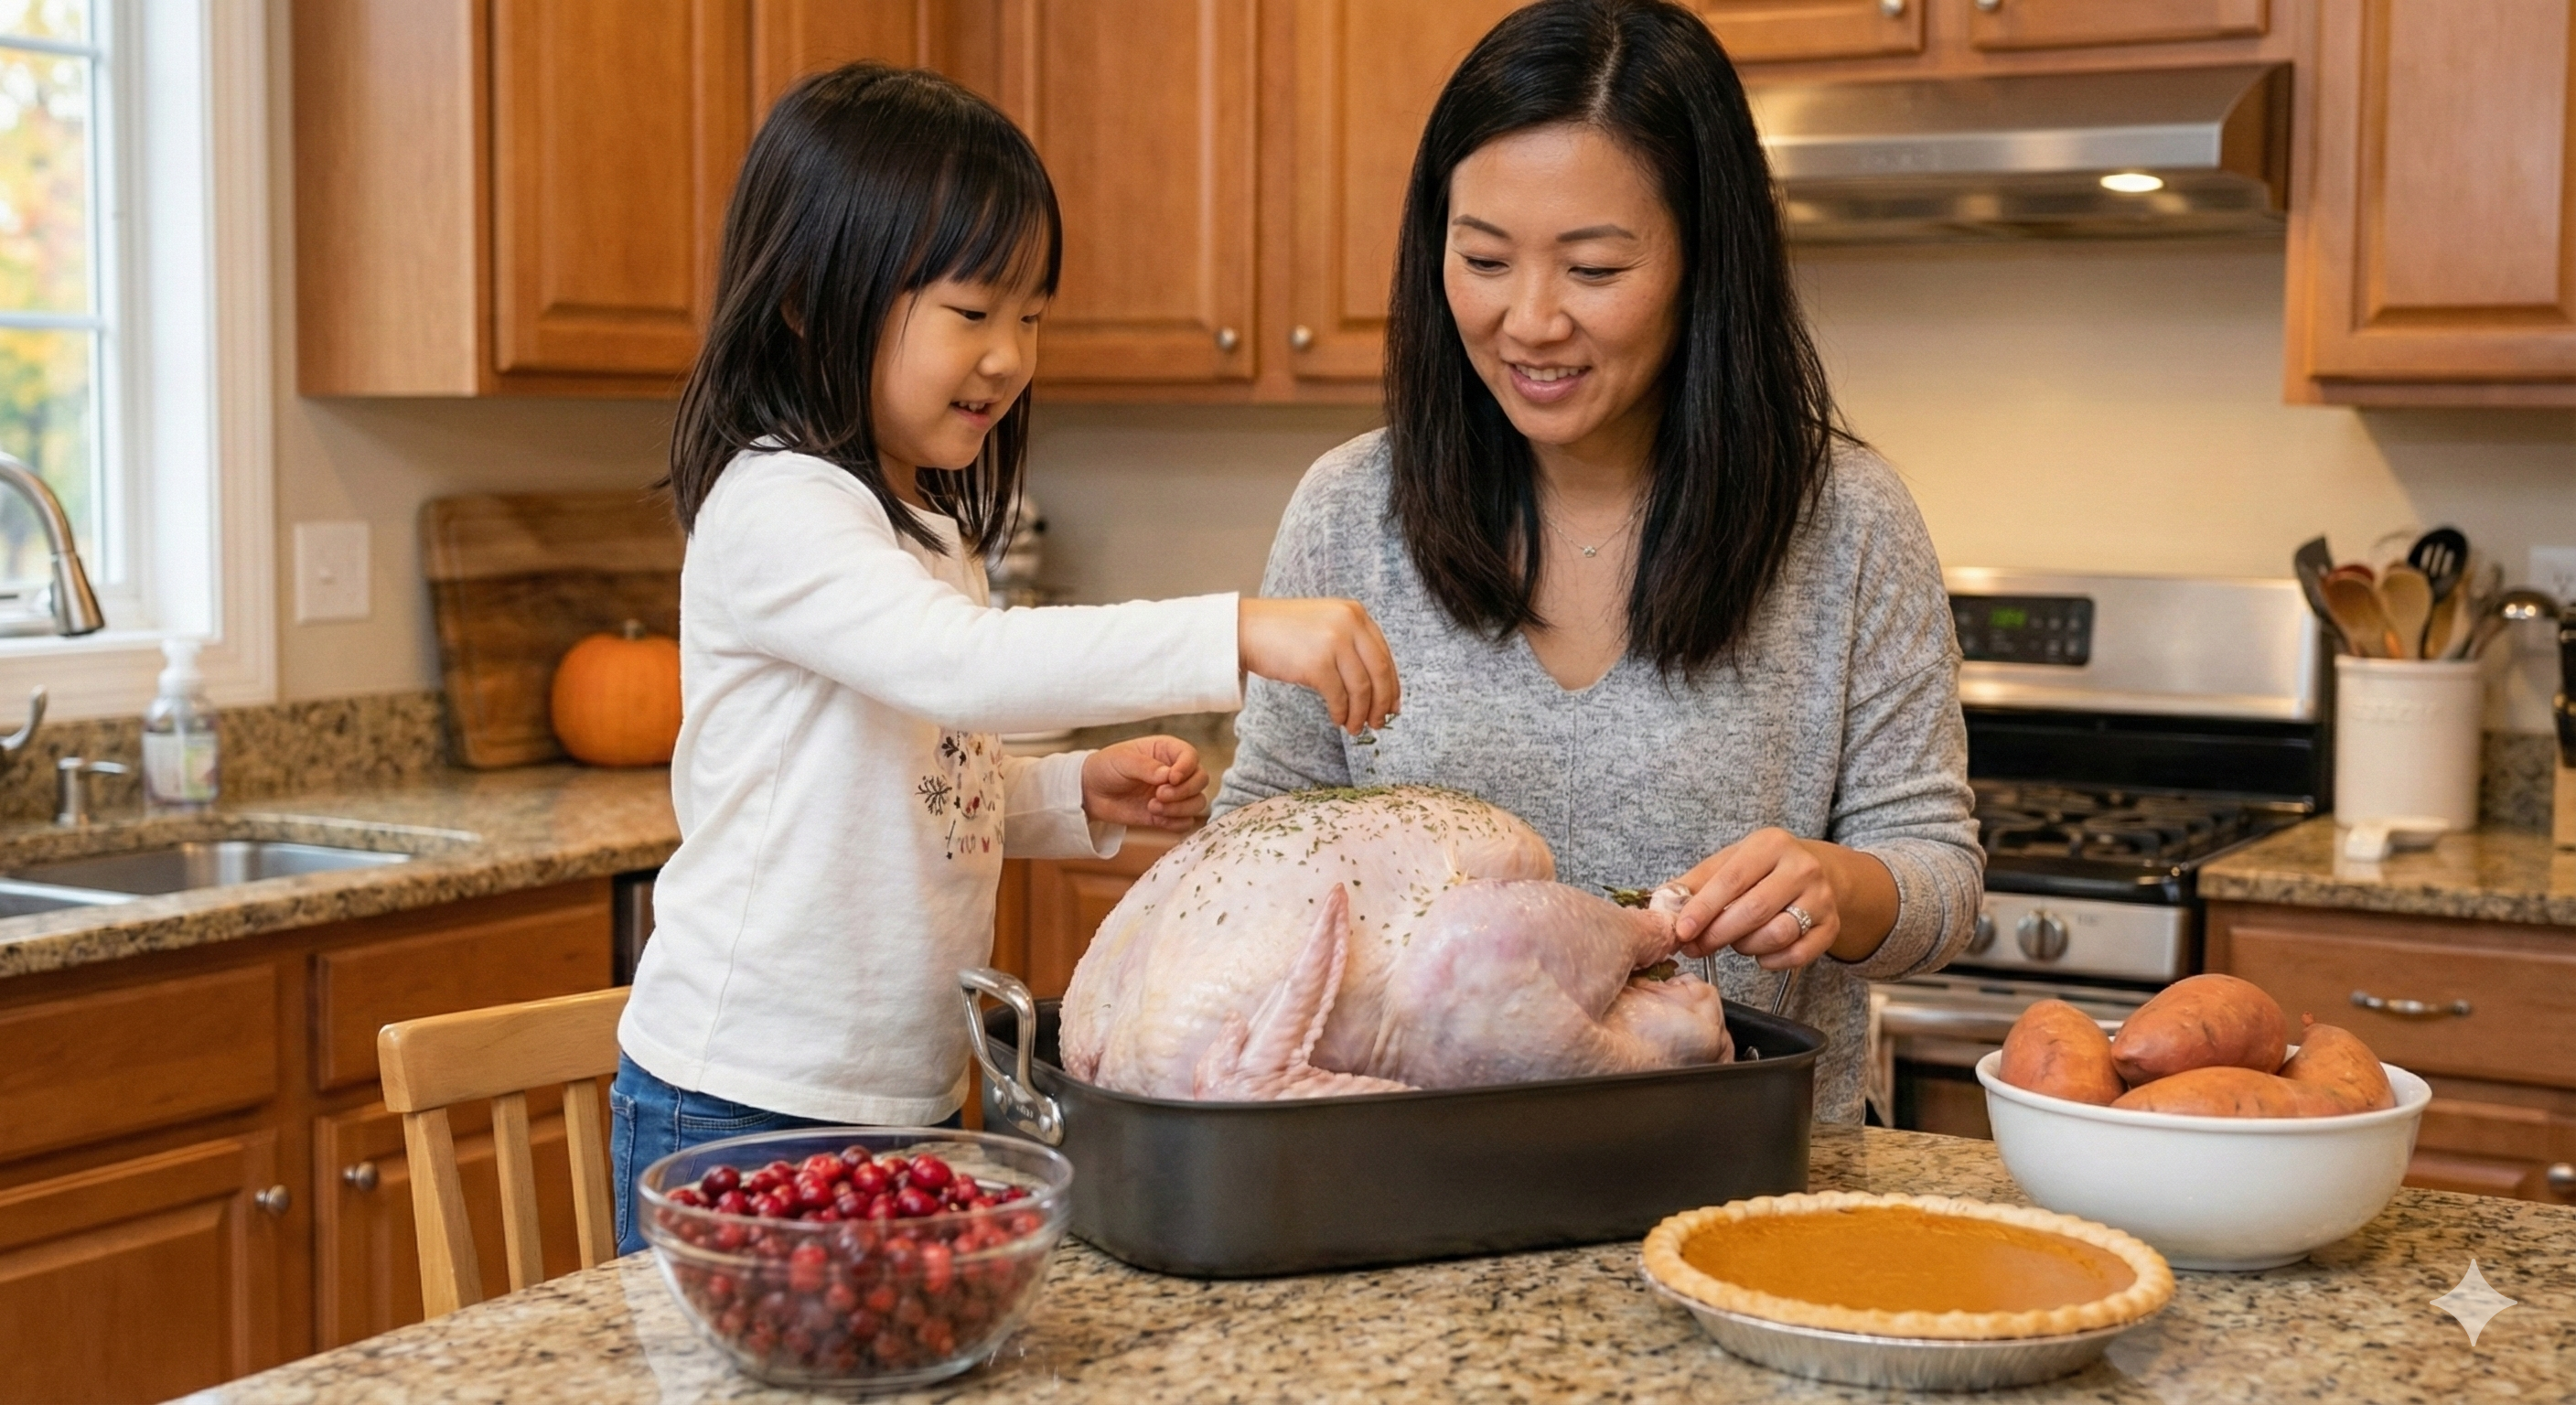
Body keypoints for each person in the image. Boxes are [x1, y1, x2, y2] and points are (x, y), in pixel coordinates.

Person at [612, 63, 1400, 1250]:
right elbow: (962, 668)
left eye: (1031, 316)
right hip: (741, 1099)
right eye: (974, 313)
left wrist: (1064, 792)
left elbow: (915, 780)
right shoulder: (774, 506)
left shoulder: (924, 527)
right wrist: (1234, 628)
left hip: (905, 1093)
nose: (1011, 355)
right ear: (810, 304)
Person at [1217, 0, 1980, 1124]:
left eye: (1591, 267)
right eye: (1481, 257)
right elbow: (1258, 837)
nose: (1527, 320)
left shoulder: (1844, 523)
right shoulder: (1350, 511)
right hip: (1402, 1172)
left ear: (1700, 261)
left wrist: (1838, 886)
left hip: (1738, 1175)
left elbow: (1939, 885)